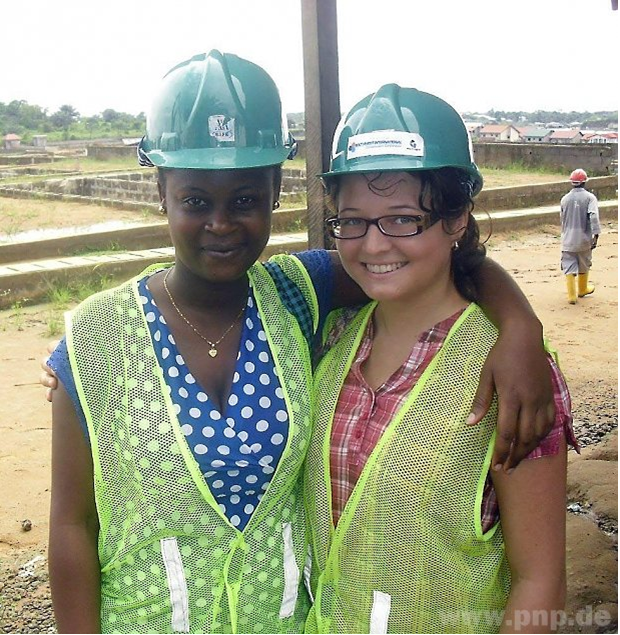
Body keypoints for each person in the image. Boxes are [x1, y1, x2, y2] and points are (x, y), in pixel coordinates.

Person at [45, 51, 555, 634]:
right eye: (194, 200)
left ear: (273, 192)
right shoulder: (96, 338)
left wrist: (520, 327)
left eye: (245, 199)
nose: (220, 223)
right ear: (161, 190)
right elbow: (72, 526)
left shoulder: (298, 292)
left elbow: (438, 262)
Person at [303, 84, 578, 634]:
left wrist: (521, 327)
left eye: (404, 218)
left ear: (456, 219)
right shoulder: (330, 340)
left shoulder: (512, 375)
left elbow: (538, 582)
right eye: (352, 220)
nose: (374, 245)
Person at [560, 169, 600, 304]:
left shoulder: (564, 199)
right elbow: (593, 216)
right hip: (584, 239)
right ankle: (582, 289)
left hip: (568, 239)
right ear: (584, 182)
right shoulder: (590, 198)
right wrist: (596, 234)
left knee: (568, 265)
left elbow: (562, 219)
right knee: (584, 263)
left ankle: (572, 296)